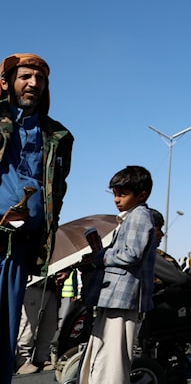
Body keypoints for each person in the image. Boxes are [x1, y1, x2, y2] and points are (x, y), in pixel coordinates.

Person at [0, 53, 72, 383]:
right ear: (6, 82)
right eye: (25, 76)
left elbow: (57, 189)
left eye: (39, 79)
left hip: (20, 249)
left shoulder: (56, 136)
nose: (33, 83)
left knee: (6, 333)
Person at [79, 165, 157, 384]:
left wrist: (102, 256)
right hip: (115, 298)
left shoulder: (140, 216)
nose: (116, 199)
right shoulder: (131, 216)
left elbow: (131, 255)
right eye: (114, 194)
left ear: (141, 195)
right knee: (104, 353)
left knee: (112, 359)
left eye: (122, 194)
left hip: (122, 298)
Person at [14, 271, 64, 374]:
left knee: (49, 324)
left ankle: (42, 357)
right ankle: (22, 360)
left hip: (51, 284)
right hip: (35, 281)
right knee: (29, 324)